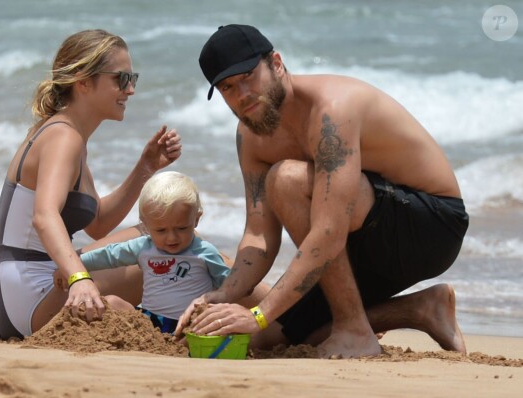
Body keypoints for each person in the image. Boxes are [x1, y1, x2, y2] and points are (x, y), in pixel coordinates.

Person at [175, 24, 469, 358]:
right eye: (228, 87)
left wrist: (257, 313)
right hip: (357, 240)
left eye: (248, 76)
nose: (242, 93)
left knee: (285, 180)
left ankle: (353, 328)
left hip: (431, 227)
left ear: (276, 63)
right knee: (269, 337)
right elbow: (258, 236)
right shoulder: (251, 136)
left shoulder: (331, 110)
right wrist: (223, 295)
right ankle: (422, 309)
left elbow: (328, 232)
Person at [0, 29, 182, 340]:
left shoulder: (66, 132)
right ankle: (264, 316)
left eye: (133, 78)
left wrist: (146, 167)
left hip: (12, 296)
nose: (130, 90)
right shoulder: (64, 137)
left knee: (162, 235)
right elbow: (44, 216)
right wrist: (79, 278)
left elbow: (99, 223)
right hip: (29, 297)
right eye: (121, 79)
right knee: (174, 247)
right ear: (83, 81)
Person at [77, 171, 232, 334]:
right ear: (145, 226)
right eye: (161, 230)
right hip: (150, 322)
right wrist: (76, 265)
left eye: (181, 228)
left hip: (189, 324)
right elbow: (109, 255)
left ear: (196, 219)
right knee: (112, 302)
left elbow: (229, 285)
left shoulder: (205, 252)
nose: (172, 238)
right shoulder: (144, 247)